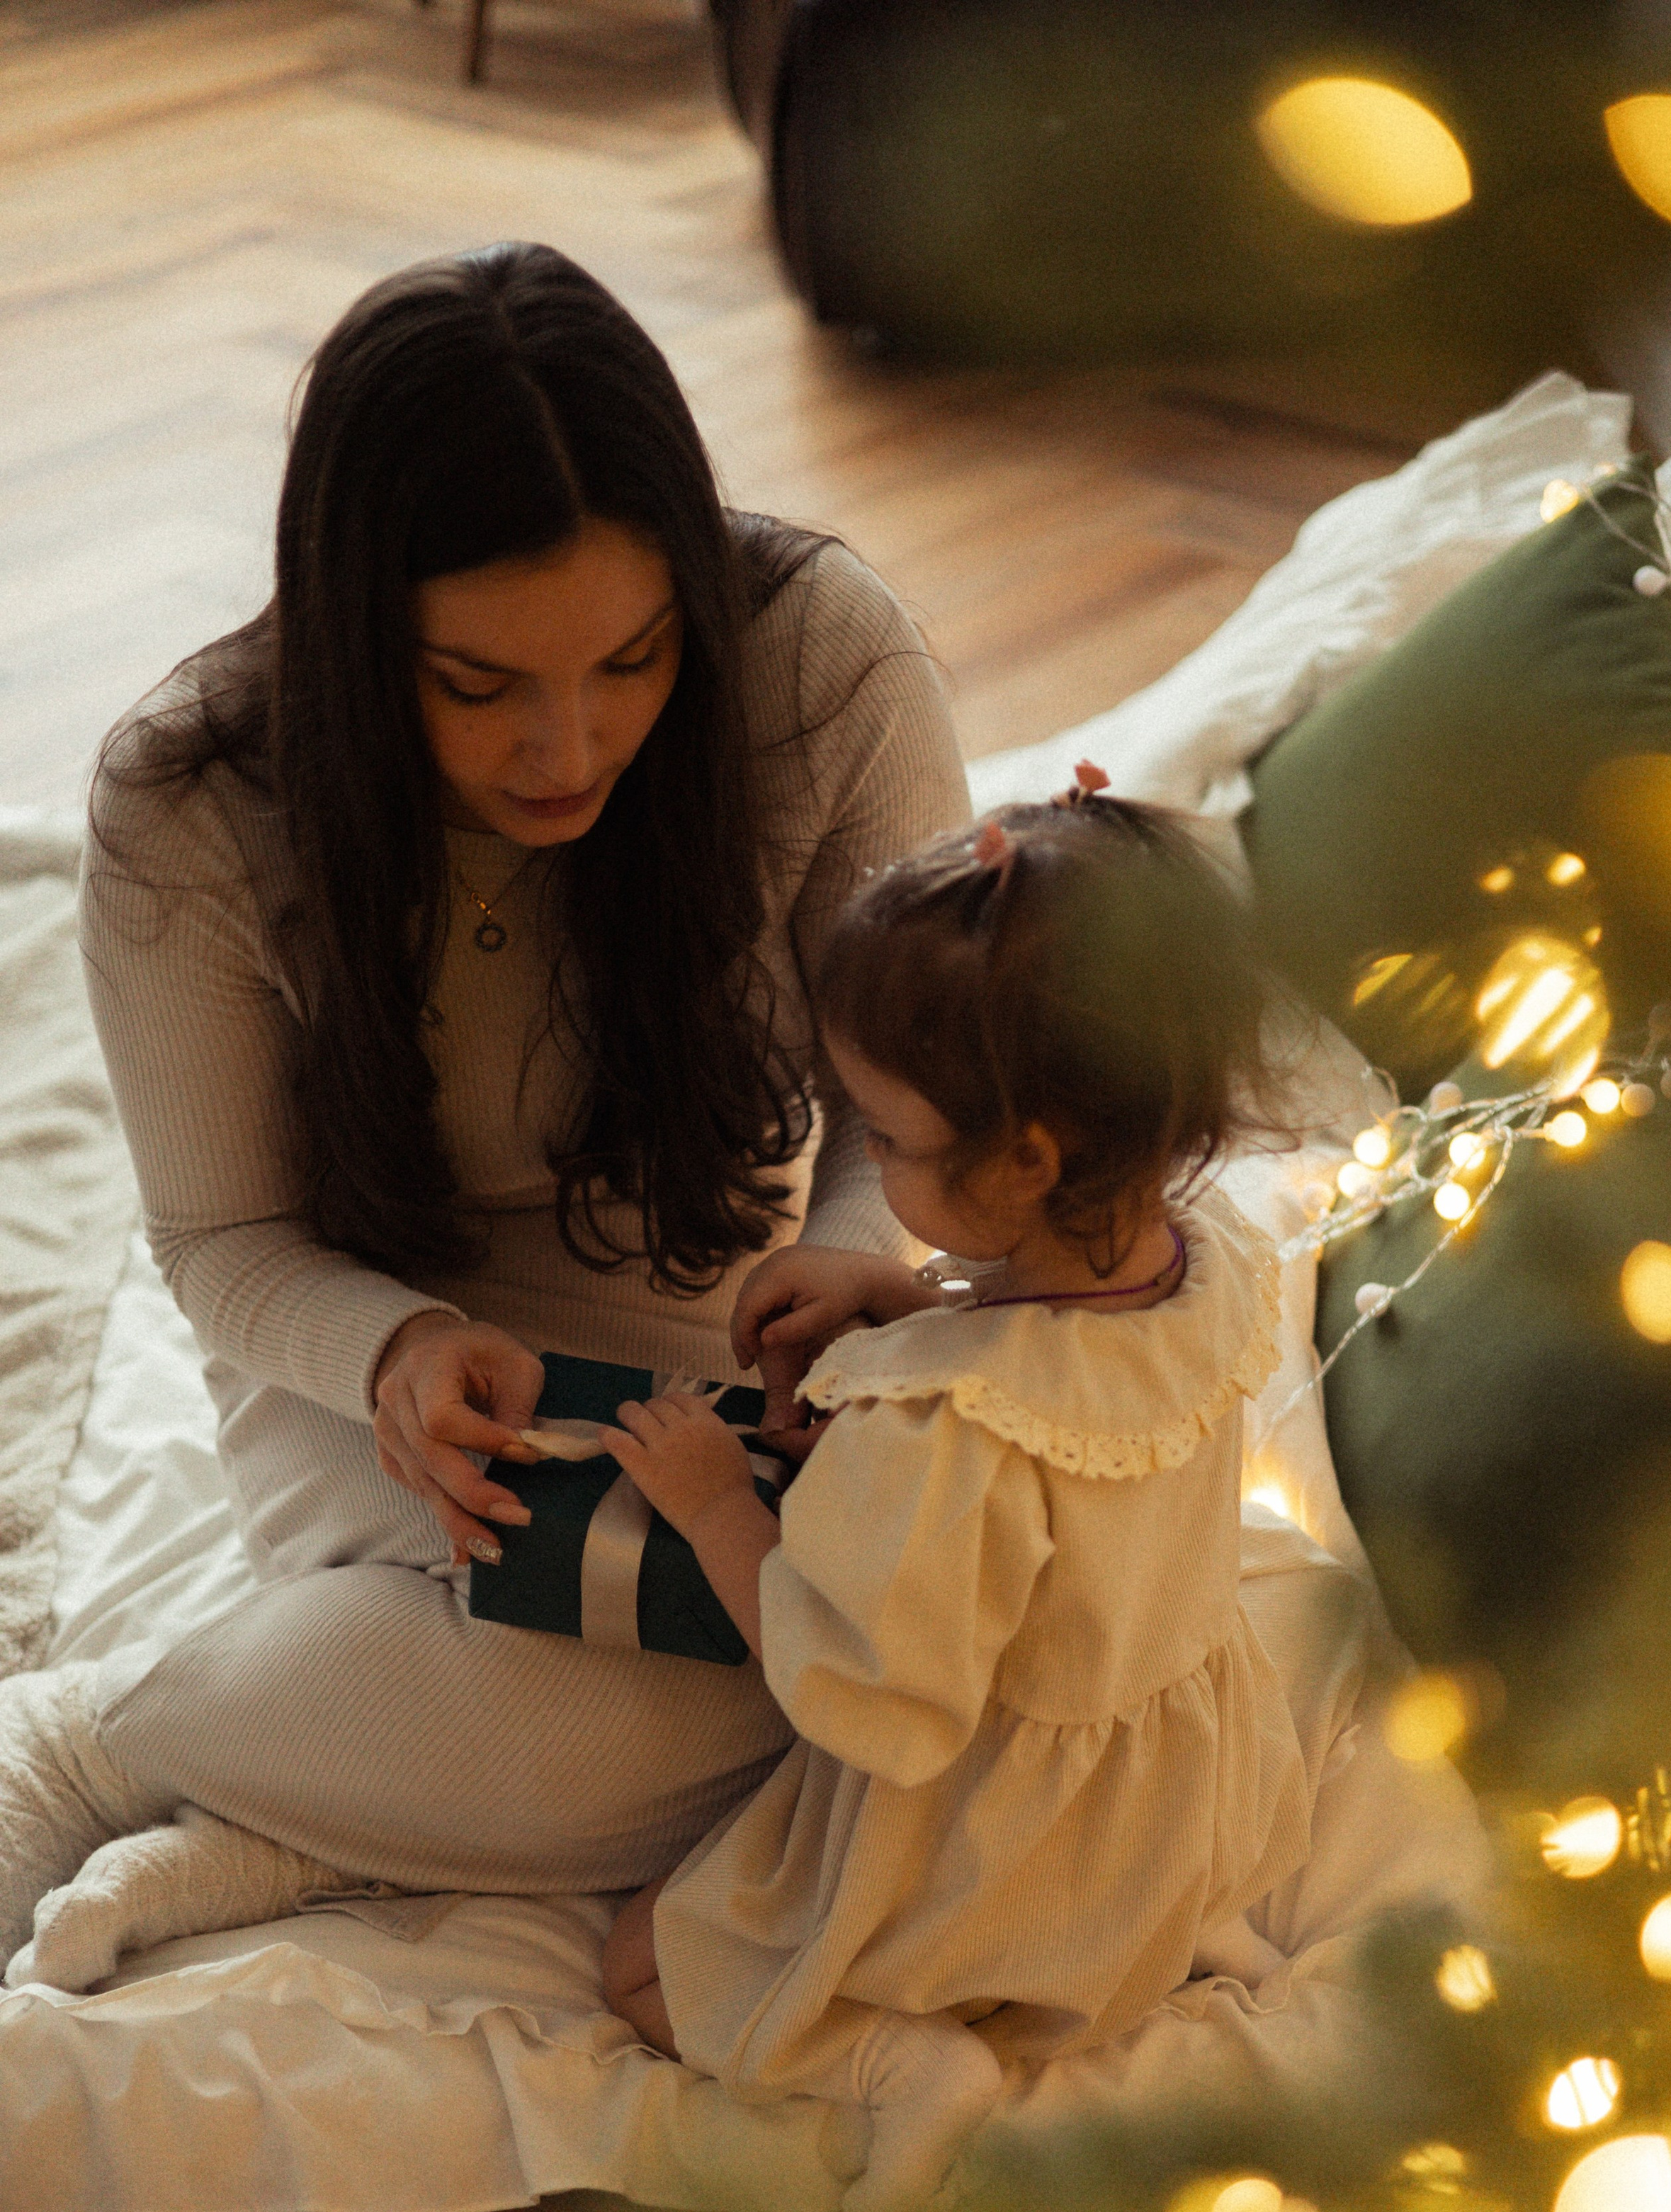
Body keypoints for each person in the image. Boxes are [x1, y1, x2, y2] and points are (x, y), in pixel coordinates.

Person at [0, 241, 970, 1978]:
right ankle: (107, 1740)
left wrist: (848, 1256)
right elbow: (221, 1238)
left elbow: (898, 1088)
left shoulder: (818, 666)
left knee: (902, 1649)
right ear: (356, 639)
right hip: (366, 1349)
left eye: (633, 659)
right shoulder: (196, 802)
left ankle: (288, 1813)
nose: (568, 748)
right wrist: (391, 1355)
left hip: (704, 1309)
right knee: (712, 1692)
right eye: (477, 687)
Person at [590, 777, 1320, 2212]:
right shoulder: (1205, 1258)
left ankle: (904, 2070)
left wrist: (718, 1503)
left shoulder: (932, 1434)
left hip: (1010, 1851)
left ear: (1025, 1162)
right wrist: (913, 1292)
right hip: (1181, 1813)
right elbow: (1052, 1347)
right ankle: (1130, 1955)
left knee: (641, 1971)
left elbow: (874, 1699)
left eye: (891, 1138)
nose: (874, 1160)